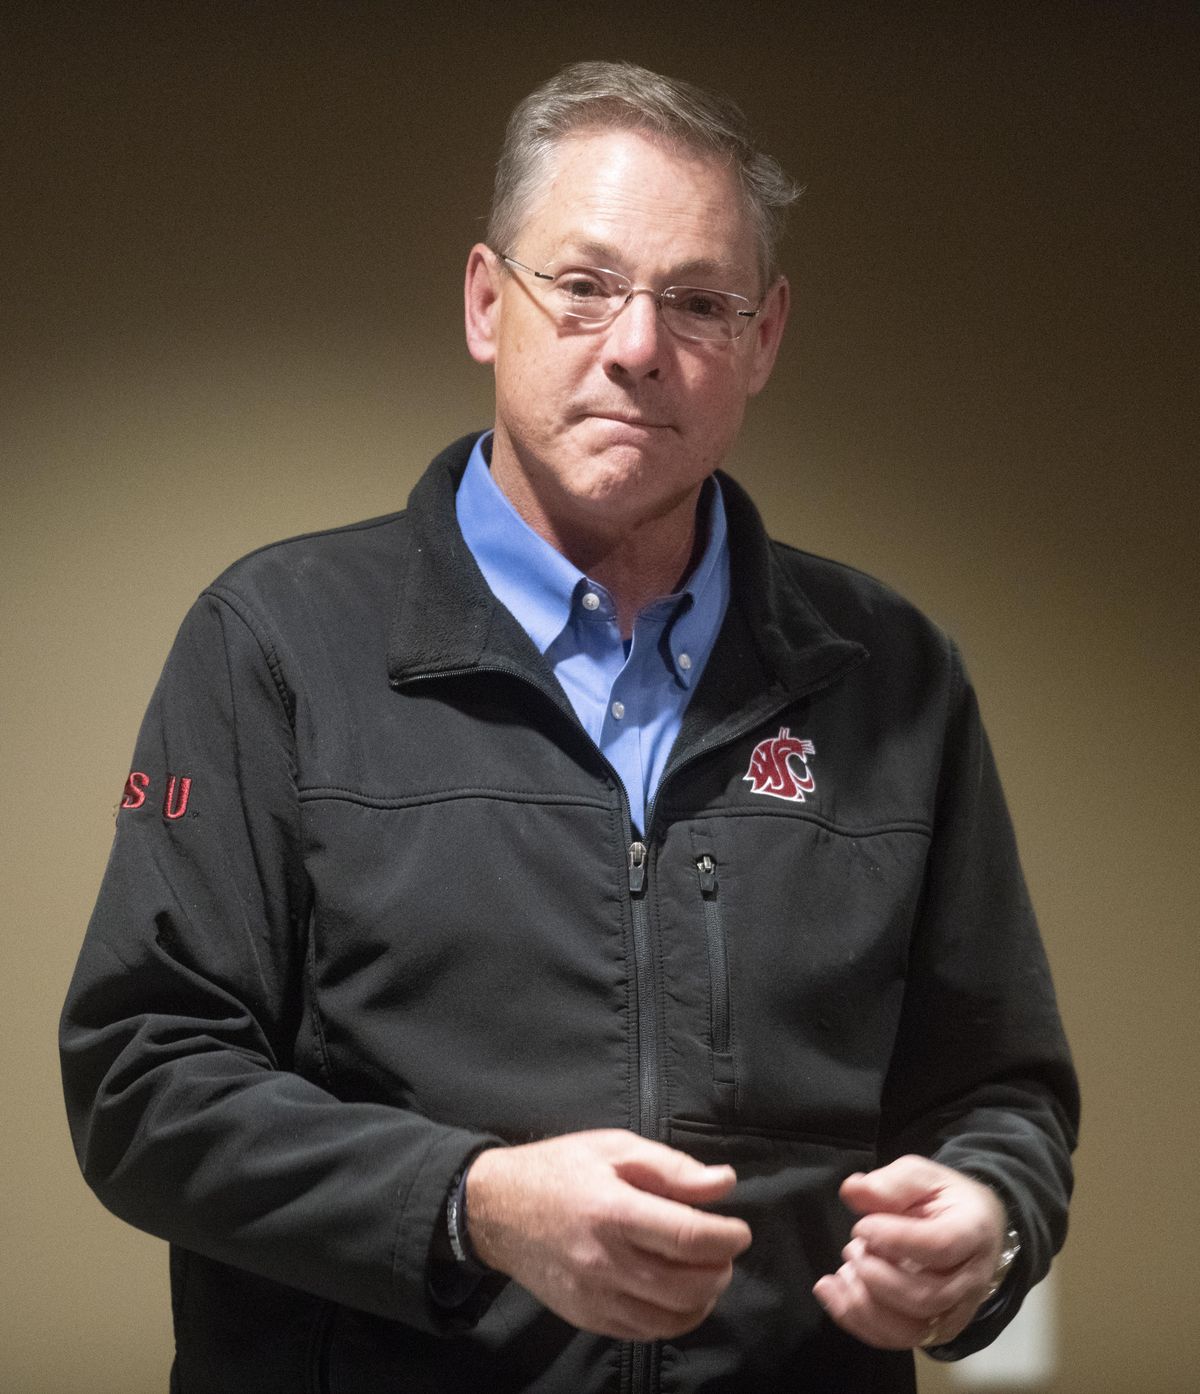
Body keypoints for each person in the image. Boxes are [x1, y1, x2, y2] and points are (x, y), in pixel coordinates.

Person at [60, 60, 1078, 1394]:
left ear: (764, 339)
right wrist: (472, 1199)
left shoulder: (893, 675)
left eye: (699, 300)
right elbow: (147, 1085)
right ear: (489, 301)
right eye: (584, 284)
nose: (641, 343)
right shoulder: (277, 641)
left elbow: (1002, 1095)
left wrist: (992, 1219)